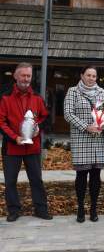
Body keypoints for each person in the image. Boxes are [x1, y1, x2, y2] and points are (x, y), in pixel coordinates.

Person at [0, 62, 52, 222]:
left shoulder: (37, 98)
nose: (26, 79)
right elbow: (1, 122)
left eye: (29, 75)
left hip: (33, 147)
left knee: (36, 179)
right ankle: (14, 210)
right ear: (16, 76)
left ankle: (41, 209)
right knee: (10, 181)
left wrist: (39, 128)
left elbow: (45, 117)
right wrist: (15, 137)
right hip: (12, 147)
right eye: (23, 75)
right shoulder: (5, 97)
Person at [64, 66, 104, 223]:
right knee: (81, 175)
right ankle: (80, 208)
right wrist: (86, 126)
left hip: (98, 139)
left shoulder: (101, 92)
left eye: (94, 76)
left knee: (96, 175)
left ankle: (93, 208)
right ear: (82, 76)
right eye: (88, 75)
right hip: (81, 138)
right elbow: (68, 113)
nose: (91, 78)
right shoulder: (73, 91)